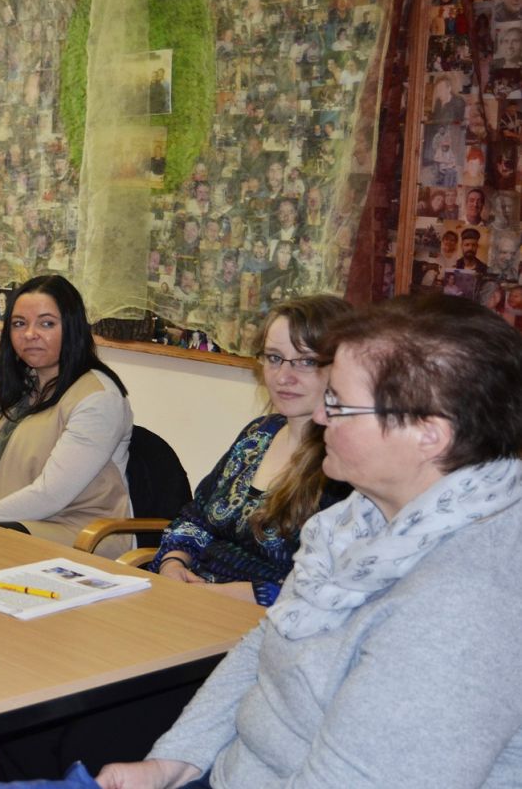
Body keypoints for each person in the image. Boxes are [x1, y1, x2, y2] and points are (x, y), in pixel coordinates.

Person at [98, 294, 522, 789]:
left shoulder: (467, 602)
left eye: (339, 403)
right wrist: (174, 762)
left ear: (429, 434)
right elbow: (266, 645)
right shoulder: (353, 520)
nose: (321, 418)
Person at [150, 296, 352, 606]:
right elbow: (196, 517)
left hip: (261, 625)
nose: (283, 376)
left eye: (307, 361)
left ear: (343, 366)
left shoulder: (346, 464)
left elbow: (326, 586)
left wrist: (214, 594)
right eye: (273, 358)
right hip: (190, 600)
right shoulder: (259, 433)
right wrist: (173, 564)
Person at [0, 275, 134, 556]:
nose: (29, 334)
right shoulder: (16, 383)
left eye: (47, 323)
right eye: (19, 324)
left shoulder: (98, 397)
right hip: (2, 521)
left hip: (74, 531)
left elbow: (51, 494)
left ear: (72, 329)